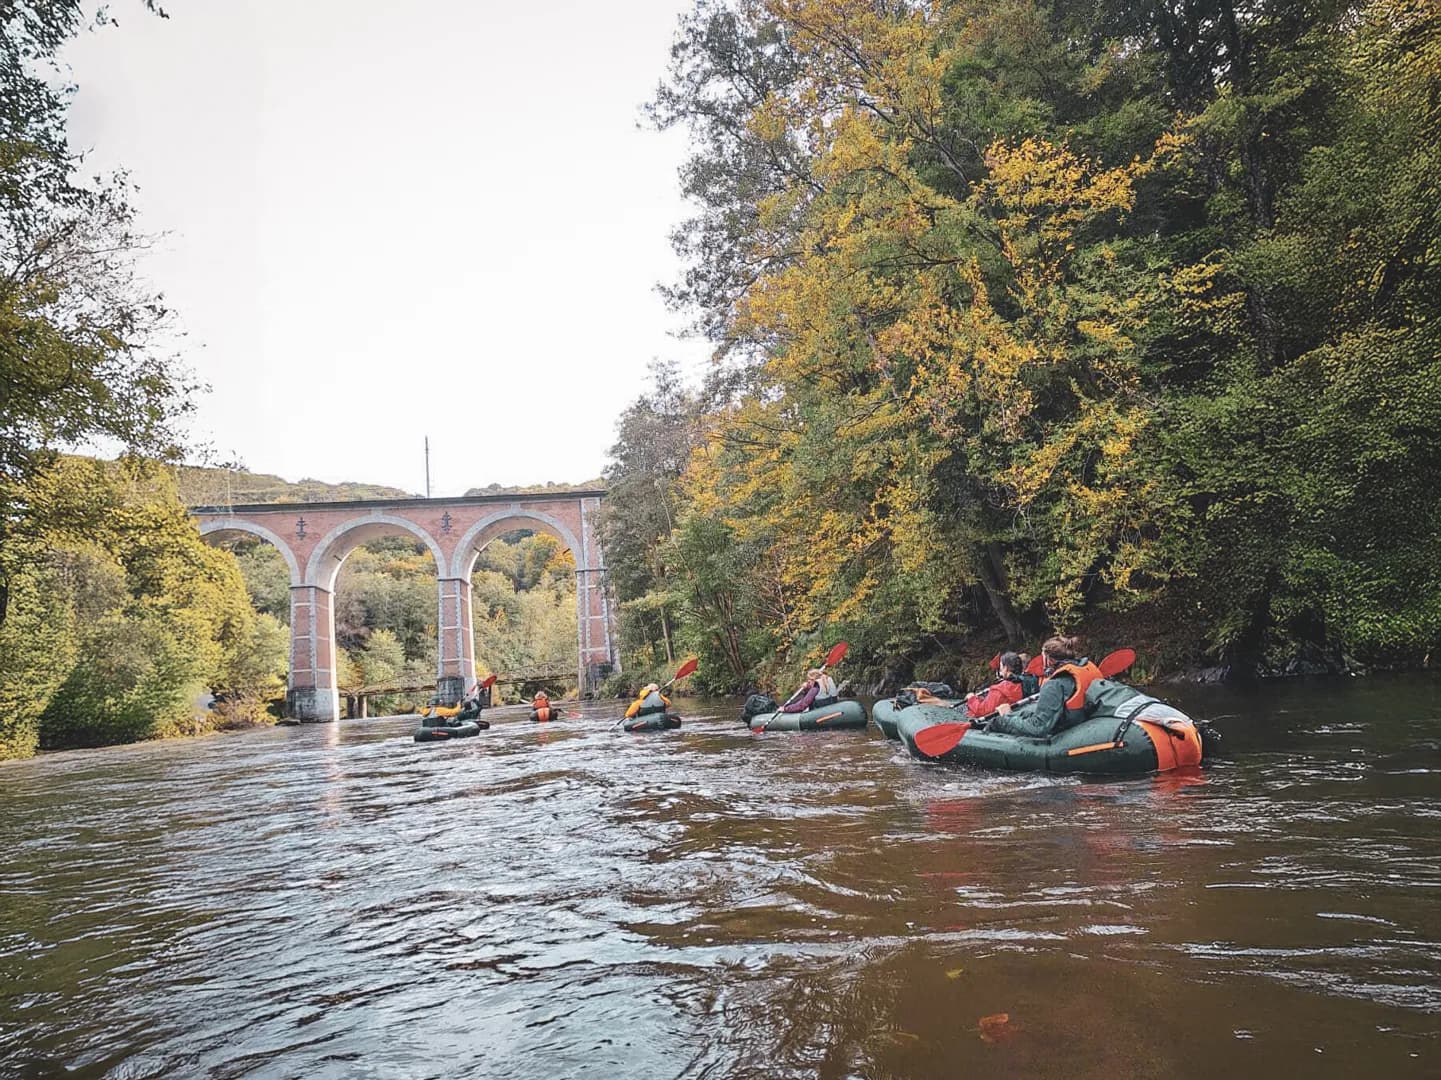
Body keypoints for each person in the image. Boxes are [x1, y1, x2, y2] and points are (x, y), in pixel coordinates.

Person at [989, 635, 1102, 738]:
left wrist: (1005, 718)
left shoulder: (1054, 685)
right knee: (1022, 714)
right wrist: (1012, 715)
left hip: (1065, 732)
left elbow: (1038, 727)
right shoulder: (1085, 668)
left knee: (997, 723)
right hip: (1084, 721)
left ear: (1049, 660)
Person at [963, 652, 1027, 718]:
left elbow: (981, 711)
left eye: (1001, 666)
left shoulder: (999, 690)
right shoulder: (1025, 685)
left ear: (1005, 668)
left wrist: (971, 698)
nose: (1000, 669)